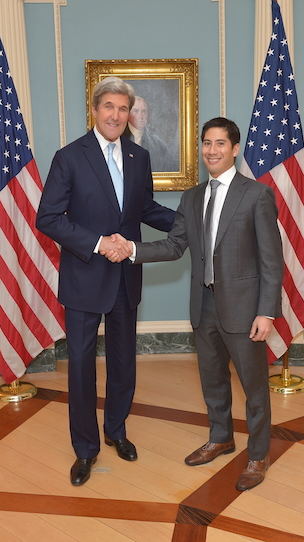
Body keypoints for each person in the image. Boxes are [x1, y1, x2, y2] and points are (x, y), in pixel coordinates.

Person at [112, 117, 283, 491]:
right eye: (207, 143)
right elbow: (175, 246)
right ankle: (220, 437)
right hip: (203, 304)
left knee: (254, 388)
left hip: (244, 308)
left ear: (235, 149)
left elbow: (272, 259)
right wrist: (131, 249)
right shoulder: (191, 197)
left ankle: (258, 455)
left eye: (221, 143)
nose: (212, 150)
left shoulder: (256, 194)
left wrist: (266, 312)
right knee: (212, 381)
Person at [36, 76, 176, 487]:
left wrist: (193, 221)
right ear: (95, 110)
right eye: (109, 107)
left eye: (123, 108)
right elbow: (48, 217)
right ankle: (85, 449)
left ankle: (116, 430)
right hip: (84, 277)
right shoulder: (69, 156)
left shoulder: (137, 155)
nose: (117, 115)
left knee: (123, 361)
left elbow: (145, 207)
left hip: (125, 277)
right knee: (80, 367)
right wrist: (98, 243)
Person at [124, 96, 177, 172]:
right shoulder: (117, 139)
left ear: (148, 114)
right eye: (136, 111)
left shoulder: (159, 146)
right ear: (128, 114)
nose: (141, 116)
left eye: (144, 111)